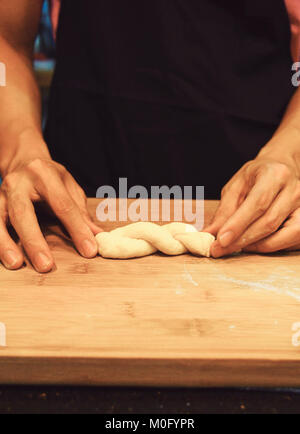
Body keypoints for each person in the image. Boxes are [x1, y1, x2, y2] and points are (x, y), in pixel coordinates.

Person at [1, 0, 300, 273]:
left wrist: (289, 153)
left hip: (258, 197)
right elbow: (6, 43)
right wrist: (20, 152)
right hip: (74, 203)